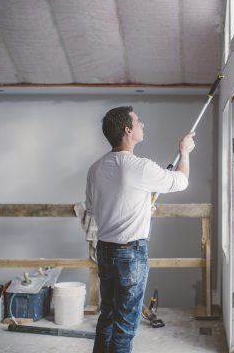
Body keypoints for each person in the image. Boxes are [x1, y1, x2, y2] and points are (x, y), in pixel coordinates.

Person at [85, 106, 195, 353]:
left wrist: (141, 205)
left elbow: (92, 209)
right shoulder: (139, 167)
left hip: (104, 251)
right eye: (138, 122)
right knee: (124, 328)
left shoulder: (96, 168)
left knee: (108, 318)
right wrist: (184, 152)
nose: (142, 125)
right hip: (130, 255)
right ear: (127, 131)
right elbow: (181, 181)